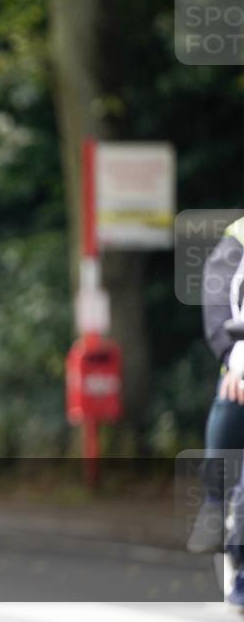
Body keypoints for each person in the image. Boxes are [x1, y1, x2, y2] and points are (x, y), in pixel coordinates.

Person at [188, 216, 244, 603]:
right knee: (234, 394)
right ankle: (215, 500)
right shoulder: (240, 235)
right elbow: (221, 291)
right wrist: (235, 350)